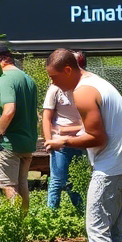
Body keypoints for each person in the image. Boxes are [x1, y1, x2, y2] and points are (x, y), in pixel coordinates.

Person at [43, 49, 122, 242]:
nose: (53, 84)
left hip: (111, 166)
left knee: (96, 227)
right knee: (114, 228)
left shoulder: (83, 92)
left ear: (68, 69)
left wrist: (63, 141)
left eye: (54, 78)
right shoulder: (96, 83)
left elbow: (98, 138)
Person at [0, 41, 38, 213]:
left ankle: (14, 224)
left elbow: (9, 111)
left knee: (7, 185)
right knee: (22, 183)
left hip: (9, 143)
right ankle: (24, 223)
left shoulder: (5, 79)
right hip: (27, 143)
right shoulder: (28, 79)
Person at [41, 50, 86, 211]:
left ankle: (81, 211)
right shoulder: (55, 88)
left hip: (81, 141)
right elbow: (46, 117)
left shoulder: (85, 88)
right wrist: (50, 141)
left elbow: (89, 121)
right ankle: (52, 214)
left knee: (76, 179)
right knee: (57, 179)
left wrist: (70, 130)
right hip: (59, 144)